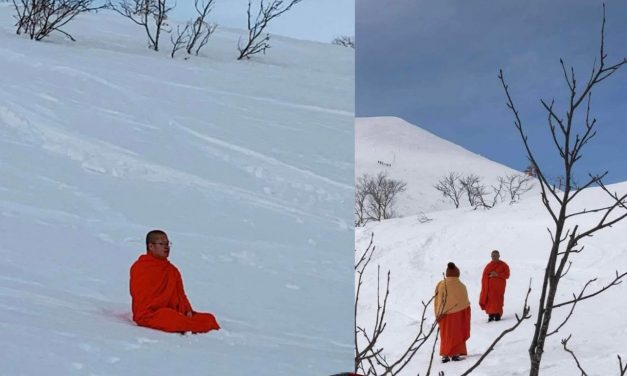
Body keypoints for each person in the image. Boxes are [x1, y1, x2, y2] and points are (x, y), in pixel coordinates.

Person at [130, 229, 220, 334]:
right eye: (162, 244)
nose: (166, 247)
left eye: (168, 244)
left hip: (173, 313)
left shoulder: (172, 270)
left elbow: (181, 295)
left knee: (209, 318)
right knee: (172, 318)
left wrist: (187, 310)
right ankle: (191, 326)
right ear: (151, 246)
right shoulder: (141, 267)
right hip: (150, 315)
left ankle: (190, 325)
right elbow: (141, 298)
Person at [434, 262, 471, 363]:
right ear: (457, 273)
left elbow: (437, 300)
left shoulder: (441, 285)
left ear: (447, 273)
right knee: (457, 333)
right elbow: (466, 302)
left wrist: (438, 313)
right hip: (458, 314)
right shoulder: (461, 286)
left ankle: (445, 355)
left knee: (445, 334)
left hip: (444, 314)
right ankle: (455, 354)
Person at [479, 250, 510, 322]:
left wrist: (497, 274)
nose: (494, 257)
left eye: (496, 255)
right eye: (493, 256)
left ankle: (498, 315)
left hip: (499, 288)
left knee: (498, 300)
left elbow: (507, 275)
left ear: (499, 256)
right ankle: (490, 316)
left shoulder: (504, 265)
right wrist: (489, 276)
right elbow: (484, 276)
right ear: (491, 256)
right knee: (490, 301)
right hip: (489, 289)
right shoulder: (488, 266)